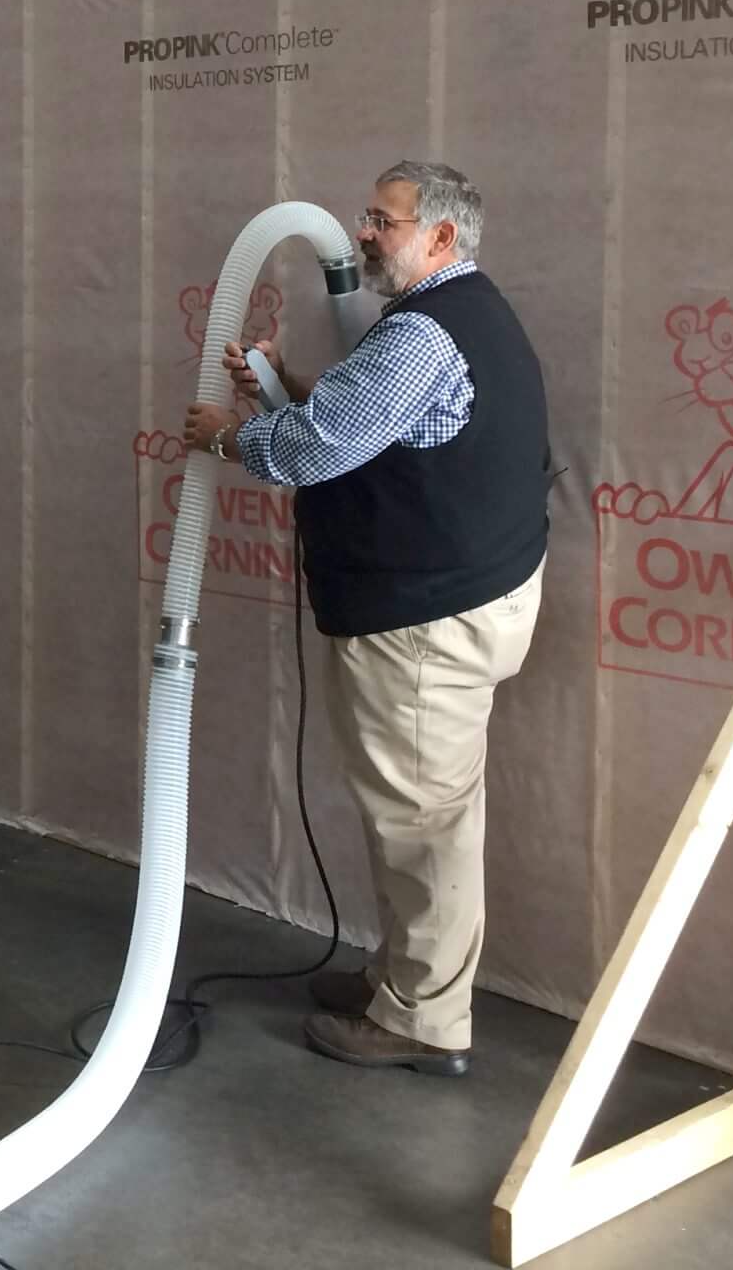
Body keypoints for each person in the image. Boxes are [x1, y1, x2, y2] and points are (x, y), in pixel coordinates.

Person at [184, 160, 549, 1080]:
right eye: (365, 219)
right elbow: (377, 424)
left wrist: (226, 434)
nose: (364, 236)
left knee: (422, 821)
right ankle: (403, 978)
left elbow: (315, 452)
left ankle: (424, 1020)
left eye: (383, 221)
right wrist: (287, 382)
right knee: (417, 812)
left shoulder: (422, 335)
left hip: (426, 620)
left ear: (441, 239)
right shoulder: (460, 320)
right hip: (467, 599)